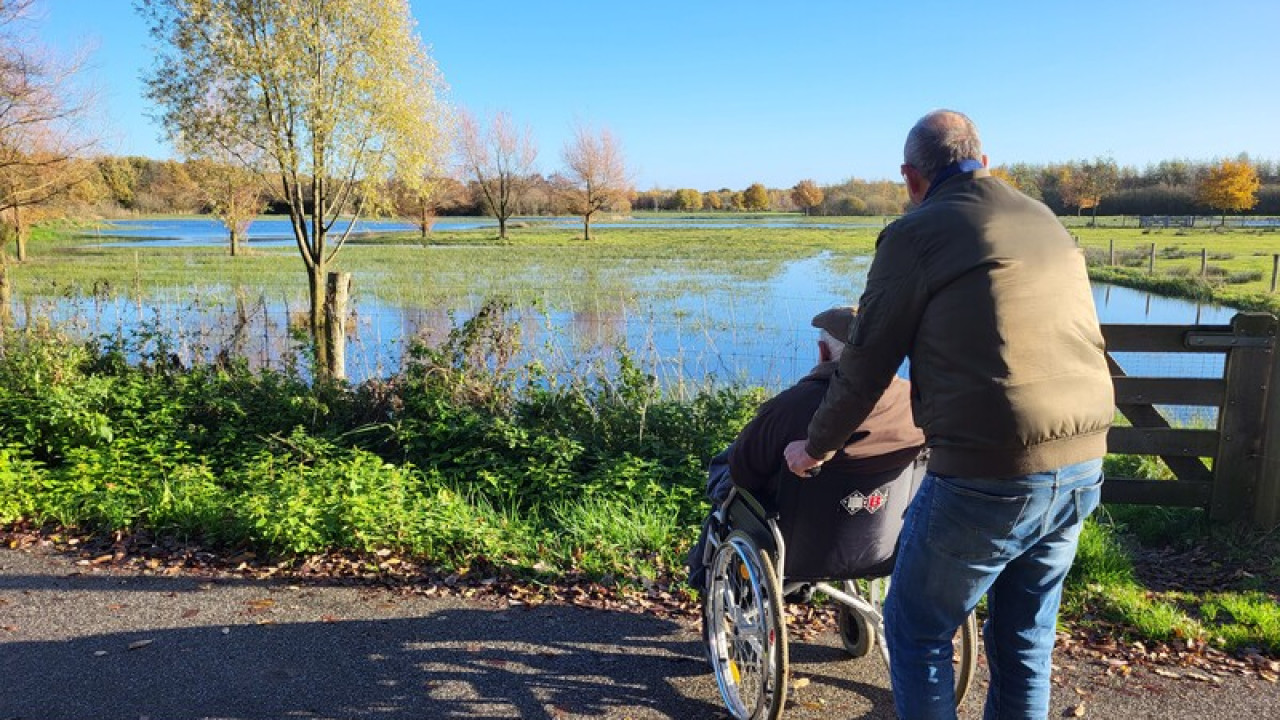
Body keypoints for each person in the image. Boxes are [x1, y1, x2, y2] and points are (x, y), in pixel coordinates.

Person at [784, 110, 1114, 719]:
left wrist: (816, 446)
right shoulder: (1042, 218)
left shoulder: (915, 234)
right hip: (1085, 457)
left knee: (916, 630)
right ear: (984, 162)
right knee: (1025, 638)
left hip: (992, 467)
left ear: (910, 179)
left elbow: (864, 365)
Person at [686, 305, 925, 590]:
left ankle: (704, 574)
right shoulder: (916, 403)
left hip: (795, 550)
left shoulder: (792, 407)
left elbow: (745, 473)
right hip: (880, 546)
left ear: (823, 351)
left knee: (727, 469)